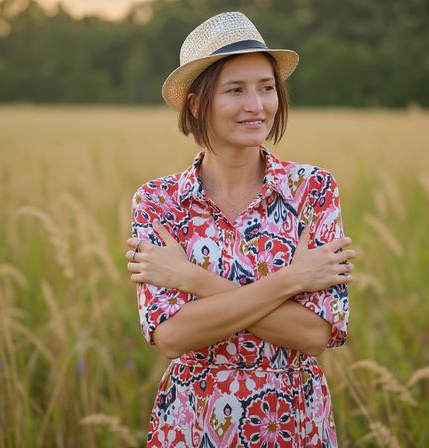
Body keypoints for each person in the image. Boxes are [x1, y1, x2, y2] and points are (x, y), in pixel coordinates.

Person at [125, 11, 354, 447]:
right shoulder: (159, 201)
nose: (257, 105)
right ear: (197, 104)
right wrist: (291, 281)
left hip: (292, 418)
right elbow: (172, 335)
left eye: (266, 88)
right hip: (193, 422)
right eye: (236, 90)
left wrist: (192, 280)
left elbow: (313, 334)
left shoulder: (313, 190)